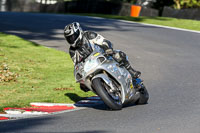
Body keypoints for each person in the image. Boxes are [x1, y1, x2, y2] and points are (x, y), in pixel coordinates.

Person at [64, 22, 141, 91]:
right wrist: (81, 80)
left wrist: (108, 48)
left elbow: (104, 41)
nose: (72, 39)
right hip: (91, 66)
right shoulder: (72, 51)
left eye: (73, 36)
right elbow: (77, 65)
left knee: (119, 55)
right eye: (69, 38)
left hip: (104, 56)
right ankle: (104, 91)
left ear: (79, 31)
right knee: (84, 86)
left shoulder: (89, 35)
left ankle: (131, 72)